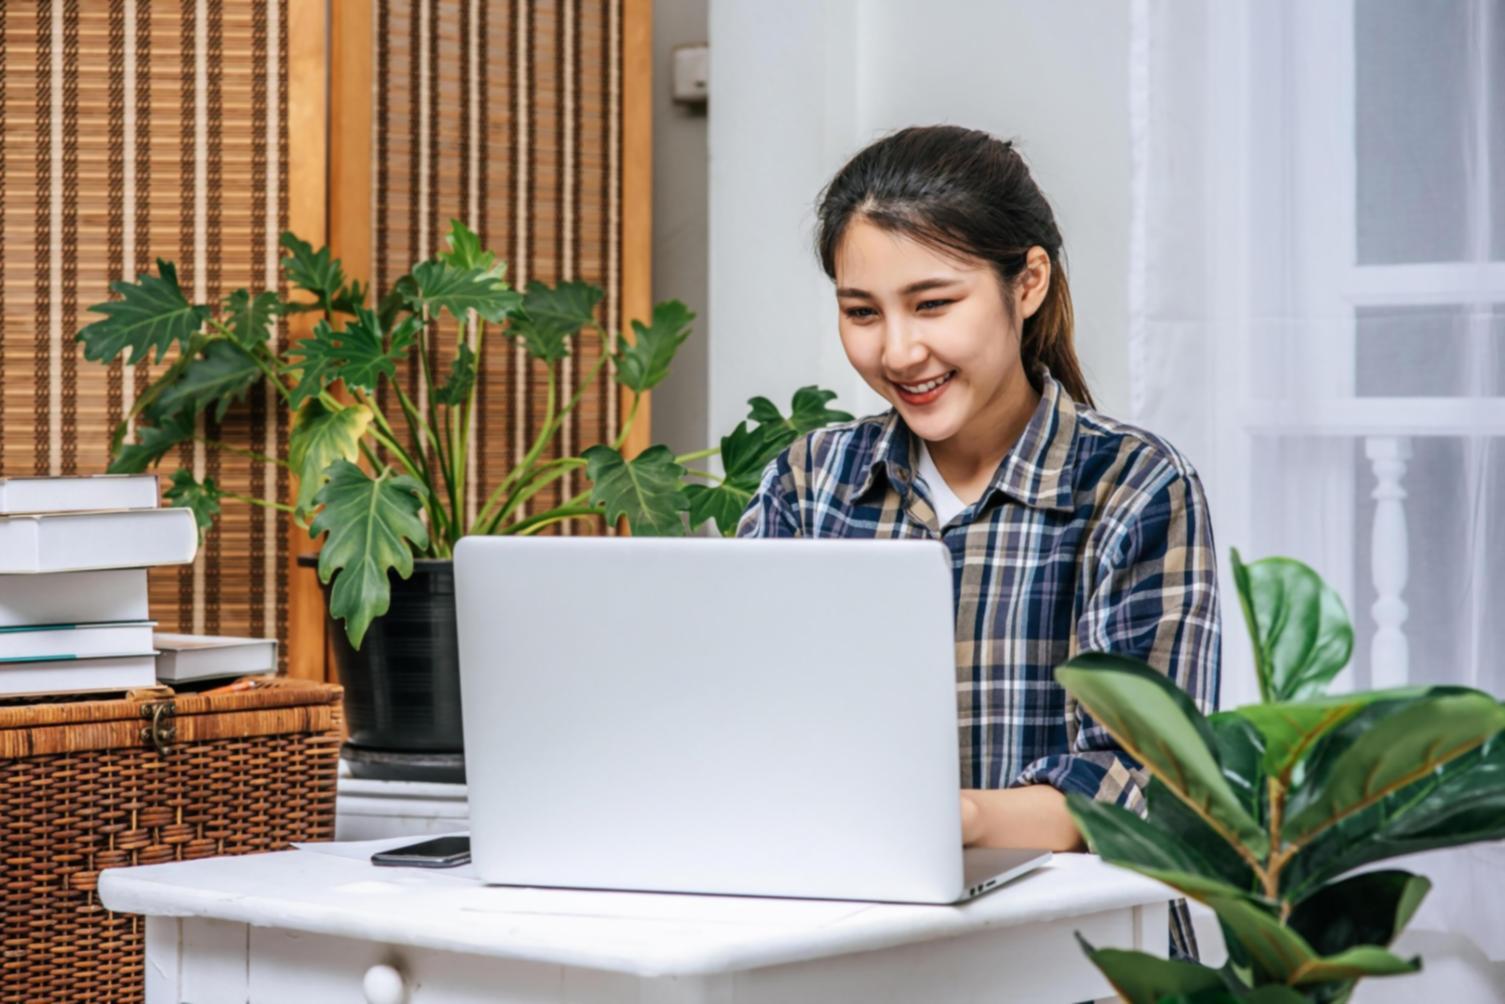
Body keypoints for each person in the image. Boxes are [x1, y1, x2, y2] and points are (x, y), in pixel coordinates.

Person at [735, 124, 1220, 961]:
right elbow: (740, 724)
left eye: (932, 304)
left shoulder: (1131, 485)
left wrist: (953, 818)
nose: (897, 351)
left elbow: (1148, 783)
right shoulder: (808, 483)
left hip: (1080, 964)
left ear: (1026, 283)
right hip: (841, 950)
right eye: (861, 312)